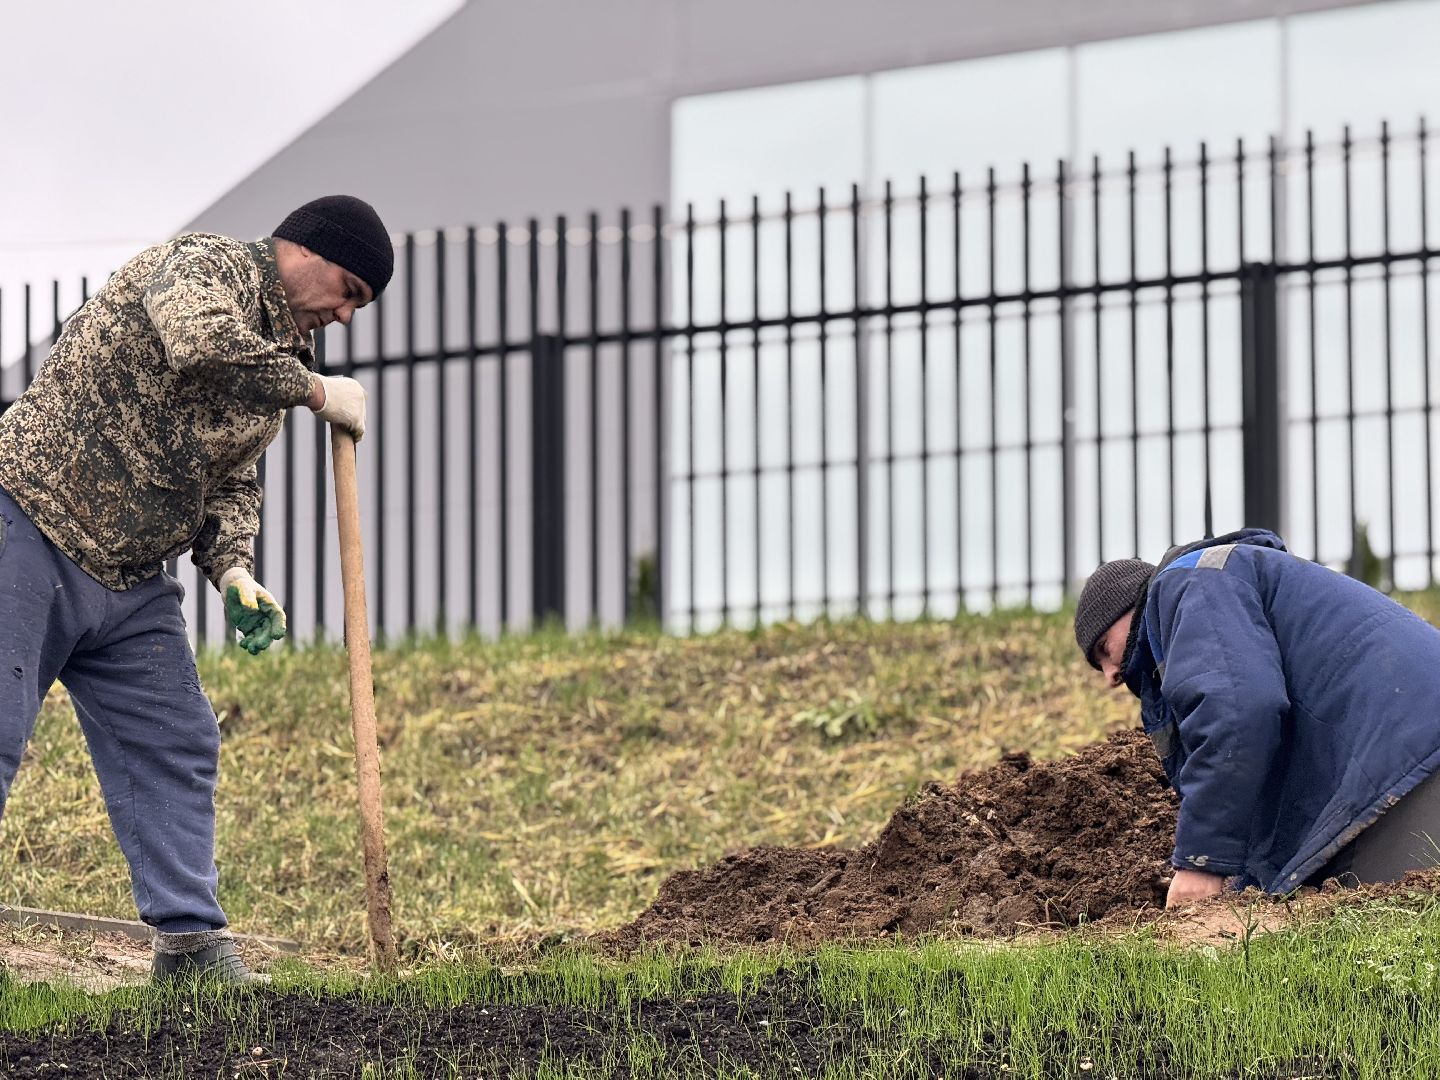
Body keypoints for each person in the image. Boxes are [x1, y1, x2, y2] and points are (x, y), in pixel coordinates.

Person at [0, 195, 392, 982]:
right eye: (347, 288)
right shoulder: (202, 267)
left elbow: (232, 479)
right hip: (31, 523)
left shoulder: (275, 358)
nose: (344, 316)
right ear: (304, 249)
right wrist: (317, 393)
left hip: (132, 580)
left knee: (177, 740)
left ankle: (189, 950)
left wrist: (235, 570)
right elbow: (199, 347)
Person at [1075, 528, 1440, 908]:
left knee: (1370, 915)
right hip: (1406, 745)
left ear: (1132, 607)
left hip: (1415, 756)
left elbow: (1237, 716)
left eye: (1104, 649)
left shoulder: (1190, 584)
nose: (1110, 676)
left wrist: (1201, 864)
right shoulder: (1223, 585)